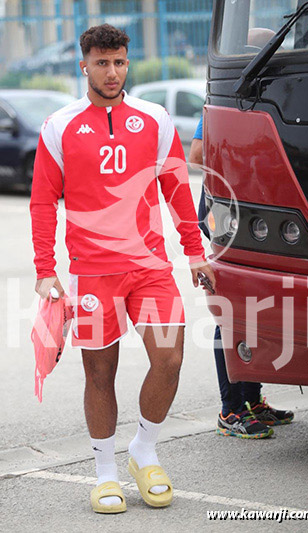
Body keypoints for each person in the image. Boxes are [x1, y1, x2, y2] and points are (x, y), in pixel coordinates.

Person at [30, 24, 215, 514]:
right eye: (102, 63)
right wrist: (45, 268)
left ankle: (144, 450)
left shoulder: (153, 119)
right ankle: (105, 472)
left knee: (170, 360)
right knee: (99, 374)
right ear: (83, 64)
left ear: (126, 64)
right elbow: (43, 202)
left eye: (119, 62)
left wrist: (194, 251)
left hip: (149, 266)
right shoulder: (59, 125)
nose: (111, 72)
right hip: (92, 272)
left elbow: (177, 191)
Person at [189, 115, 294, 439]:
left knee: (257, 311)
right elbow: (196, 154)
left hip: (259, 217)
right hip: (229, 218)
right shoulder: (224, 104)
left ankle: (251, 400)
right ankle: (230, 410)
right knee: (232, 315)